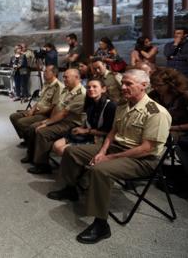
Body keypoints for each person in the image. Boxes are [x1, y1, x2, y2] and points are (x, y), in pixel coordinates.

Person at [47, 69, 171, 244]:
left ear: (144, 86)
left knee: (100, 170)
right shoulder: (123, 105)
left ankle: (101, 225)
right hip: (117, 148)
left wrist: (109, 158)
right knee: (72, 151)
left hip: (142, 160)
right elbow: (112, 132)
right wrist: (102, 151)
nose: (124, 87)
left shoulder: (156, 112)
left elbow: (145, 149)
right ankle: (71, 188)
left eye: (129, 84)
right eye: (123, 83)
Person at [24, 69, 86, 174]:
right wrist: (48, 120)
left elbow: (64, 113)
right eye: (64, 77)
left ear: (76, 78)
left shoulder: (81, 93)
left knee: (42, 132)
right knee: (32, 127)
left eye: (67, 77)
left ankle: (43, 165)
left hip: (70, 123)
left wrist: (46, 123)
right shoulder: (67, 89)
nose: (64, 79)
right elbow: (57, 107)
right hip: (59, 119)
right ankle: (31, 155)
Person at [52, 78, 116, 156]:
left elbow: (107, 132)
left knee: (63, 150)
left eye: (94, 87)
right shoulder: (90, 103)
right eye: (88, 87)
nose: (91, 89)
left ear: (103, 89)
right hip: (88, 133)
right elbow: (87, 122)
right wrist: (81, 129)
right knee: (56, 145)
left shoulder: (110, 106)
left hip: (99, 138)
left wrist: (85, 131)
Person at [9, 65, 63, 147]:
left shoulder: (58, 86)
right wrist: (32, 110)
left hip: (45, 114)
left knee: (21, 122)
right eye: (44, 71)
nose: (44, 73)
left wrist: (37, 112)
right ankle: (27, 139)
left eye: (46, 71)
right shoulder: (46, 83)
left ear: (54, 73)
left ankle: (31, 143)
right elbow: (40, 100)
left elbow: (53, 107)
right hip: (37, 110)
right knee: (13, 116)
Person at [150, 68, 188, 180]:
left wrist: (173, 127)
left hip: (182, 131)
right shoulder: (154, 95)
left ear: (170, 83)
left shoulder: (184, 96)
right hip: (163, 128)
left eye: (159, 85)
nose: (155, 88)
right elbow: (149, 112)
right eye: (154, 85)